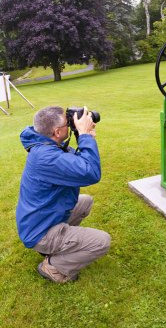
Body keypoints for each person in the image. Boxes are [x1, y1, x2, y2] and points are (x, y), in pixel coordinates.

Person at [16, 106, 111, 283]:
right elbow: (90, 172)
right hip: (39, 231)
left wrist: (82, 135)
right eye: (68, 123)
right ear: (58, 131)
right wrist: (85, 135)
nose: (71, 123)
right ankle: (53, 266)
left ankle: (53, 247)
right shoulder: (46, 157)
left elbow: (76, 161)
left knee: (85, 201)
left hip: (40, 219)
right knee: (102, 241)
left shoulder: (45, 144)